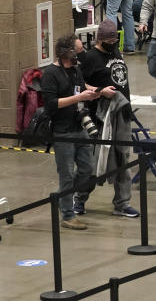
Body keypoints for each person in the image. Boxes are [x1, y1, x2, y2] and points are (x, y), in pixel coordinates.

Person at [77, 19, 139, 218]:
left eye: (115, 39)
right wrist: (99, 91)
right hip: (100, 117)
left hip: (122, 115)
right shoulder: (90, 58)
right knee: (96, 162)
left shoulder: (115, 52)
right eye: (110, 39)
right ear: (100, 39)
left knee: (123, 158)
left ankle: (122, 203)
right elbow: (79, 83)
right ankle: (79, 198)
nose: (113, 43)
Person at [43, 34, 100, 230]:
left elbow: (81, 88)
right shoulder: (50, 73)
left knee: (87, 169)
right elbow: (51, 104)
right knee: (66, 174)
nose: (79, 55)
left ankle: (62, 197)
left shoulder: (76, 70)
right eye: (76, 52)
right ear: (65, 53)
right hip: (63, 131)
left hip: (79, 126)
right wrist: (78, 98)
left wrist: (96, 92)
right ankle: (67, 215)